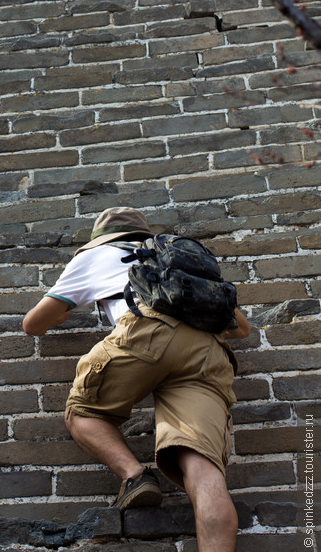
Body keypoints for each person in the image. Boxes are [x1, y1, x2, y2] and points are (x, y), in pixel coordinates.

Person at [23, 207, 250, 552]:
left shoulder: (94, 256)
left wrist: (69, 307)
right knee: (203, 470)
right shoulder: (171, 256)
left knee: (83, 413)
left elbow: (33, 324)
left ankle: (135, 476)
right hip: (206, 351)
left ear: (102, 237)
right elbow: (242, 329)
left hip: (144, 331)